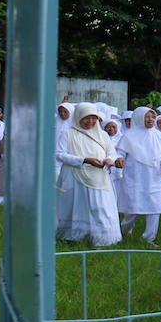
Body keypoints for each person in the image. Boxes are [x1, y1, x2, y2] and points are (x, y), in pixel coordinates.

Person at [54, 102, 122, 246]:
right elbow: (60, 154)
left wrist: (110, 160)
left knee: (99, 206)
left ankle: (102, 239)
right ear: (78, 116)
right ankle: (73, 236)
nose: (90, 122)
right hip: (74, 176)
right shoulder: (67, 133)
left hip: (98, 176)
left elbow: (111, 152)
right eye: (86, 118)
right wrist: (84, 160)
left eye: (93, 118)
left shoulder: (102, 134)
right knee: (76, 205)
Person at [116, 106, 161, 245]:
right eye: (147, 117)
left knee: (155, 208)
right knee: (133, 209)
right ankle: (123, 232)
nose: (150, 120)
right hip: (136, 177)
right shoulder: (128, 137)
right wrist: (119, 159)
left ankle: (149, 238)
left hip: (155, 178)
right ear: (138, 118)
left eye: (153, 117)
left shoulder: (160, 137)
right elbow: (120, 154)